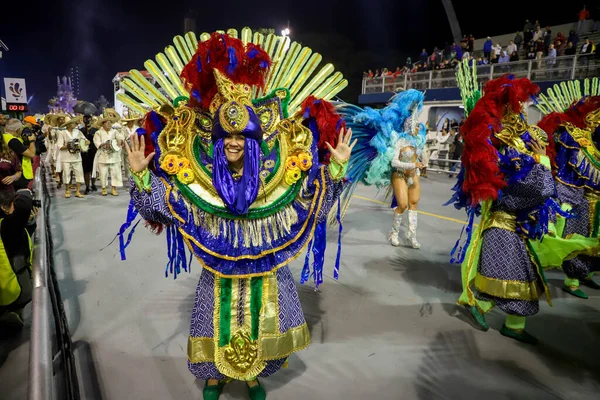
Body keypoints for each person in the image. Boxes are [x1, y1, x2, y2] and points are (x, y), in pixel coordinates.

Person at [119, 32, 354, 400]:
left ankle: (251, 376)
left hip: (265, 270)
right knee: (213, 320)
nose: (233, 142)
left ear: (254, 141)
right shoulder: (201, 183)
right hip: (219, 275)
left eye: (242, 136)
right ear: (216, 140)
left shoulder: (275, 182)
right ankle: (214, 377)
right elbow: (159, 208)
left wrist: (336, 171)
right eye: (226, 136)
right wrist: (139, 175)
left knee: (263, 322)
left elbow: (311, 205)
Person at [449, 72, 558, 345]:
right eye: (521, 107)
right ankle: (480, 306)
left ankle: (510, 324)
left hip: (514, 226)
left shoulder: (516, 149)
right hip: (503, 225)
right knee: (510, 280)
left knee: (517, 279)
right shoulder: (507, 153)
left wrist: (538, 160)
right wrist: (541, 161)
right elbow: (539, 190)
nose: (525, 113)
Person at [537, 93, 600, 299]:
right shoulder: (570, 135)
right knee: (551, 236)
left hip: (581, 197)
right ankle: (534, 272)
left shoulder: (591, 142)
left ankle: (574, 279)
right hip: (560, 195)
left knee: (580, 239)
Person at [0, 188, 34, 332]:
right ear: (3, 207)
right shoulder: (5, 226)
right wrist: (25, 193)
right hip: (12, 291)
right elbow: (24, 206)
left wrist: (30, 222)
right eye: (14, 203)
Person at [56, 117, 88, 198]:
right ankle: (67, 190)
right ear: (68, 125)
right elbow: (59, 146)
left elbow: (85, 140)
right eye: (72, 123)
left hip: (77, 156)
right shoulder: (62, 133)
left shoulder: (78, 132)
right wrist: (69, 146)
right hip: (66, 157)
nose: (74, 124)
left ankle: (77, 191)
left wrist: (86, 143)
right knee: (66, 174)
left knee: (79, 173)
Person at [93, 113, 124, 196]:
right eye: (107, 122)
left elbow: (120, 138)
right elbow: (97, 143)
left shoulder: (115, 131)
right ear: (103, 124)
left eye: (110, 122)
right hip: (103, 156)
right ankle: (104, 188)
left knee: (115, 173)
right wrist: (104, 145)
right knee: (103, 173)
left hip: (114, 155)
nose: (109, 124)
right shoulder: (98, 133)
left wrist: (119, 142)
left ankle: (114, 189)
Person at [3, 119, 35, 191]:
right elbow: (31, 154)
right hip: (18, 174)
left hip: (6, 172)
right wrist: (32, 141)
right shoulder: (13, 141)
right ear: (18, 130)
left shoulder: (3, 138)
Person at [120, 112, 142, 181]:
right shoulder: (123, 129)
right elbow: (121, 136)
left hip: (135, 149)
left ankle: (136, 178)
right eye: (129, 122)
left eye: (132, 121)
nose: (130, 123)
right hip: (126, 149)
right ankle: (129, 179)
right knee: (127, 165)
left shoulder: (137, 128)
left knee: (136, 164)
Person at [81, 114, 98, 194]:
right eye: (85, 119)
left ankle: (93, 184)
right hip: (84, 153)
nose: (87, 121)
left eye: (88, 119)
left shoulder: (95, 130)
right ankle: (87, 186)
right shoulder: (81, 131)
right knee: (86, 171)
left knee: (93, 170)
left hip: (94, 152)